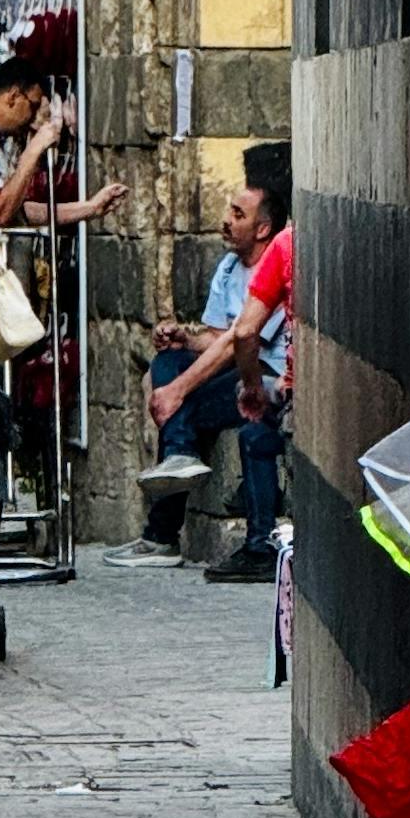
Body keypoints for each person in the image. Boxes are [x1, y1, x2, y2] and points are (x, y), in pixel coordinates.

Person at [135, 148, 291, 560]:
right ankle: (180, 455)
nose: (226, 219)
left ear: (263, 229)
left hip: (261, 376)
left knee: (175, 398)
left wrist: (177, 390)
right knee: (167, 362)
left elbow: (239, 342)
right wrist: (184, 339)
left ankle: (162, 532)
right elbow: (216, 336)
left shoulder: (276, 263)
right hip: (233, 368)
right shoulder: (228, 267)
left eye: (238, 214)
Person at [0, 59, 128, 236]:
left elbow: (19, 212)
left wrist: (90, 208)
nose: (32, 119)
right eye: (33, 106)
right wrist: (33, 150)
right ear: (13, 96)